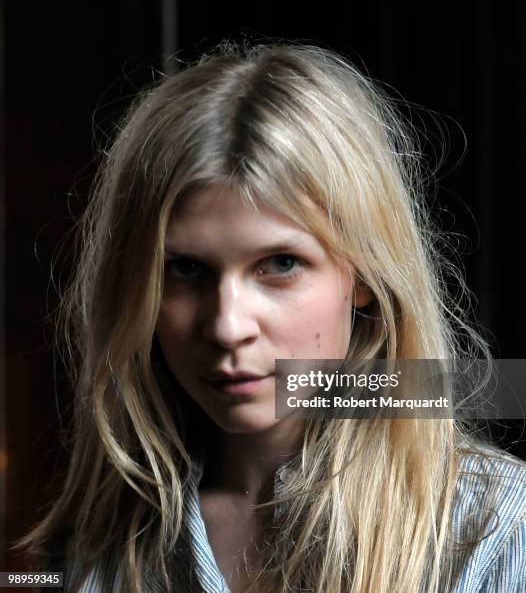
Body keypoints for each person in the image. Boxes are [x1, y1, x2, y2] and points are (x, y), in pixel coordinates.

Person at [18, 41, 526, 592]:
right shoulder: (96, 543)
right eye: (185, 269)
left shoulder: (492, 528)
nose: (227, 326)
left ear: (362, 276)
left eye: (280, 264)